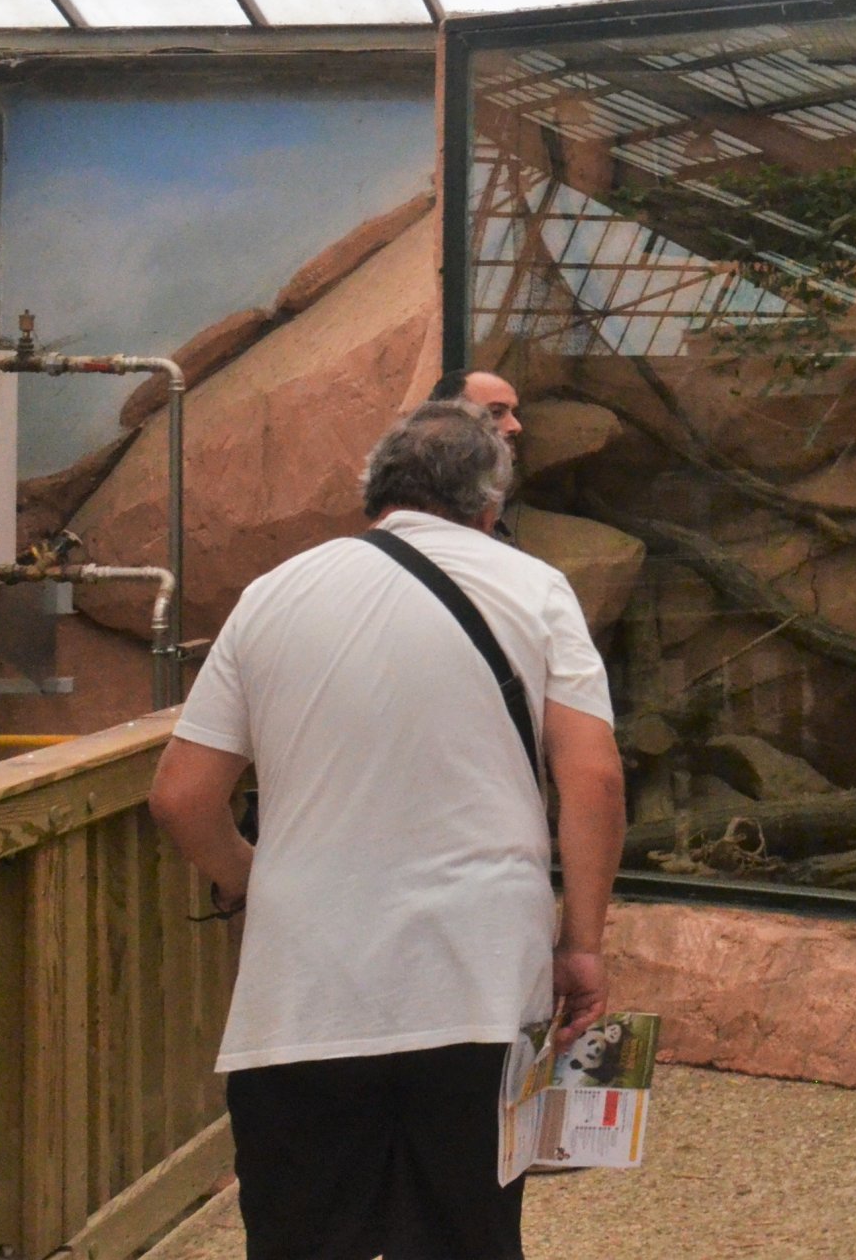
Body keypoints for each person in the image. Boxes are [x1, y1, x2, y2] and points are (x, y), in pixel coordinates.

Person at [150, 401, 627, 1260]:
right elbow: (591, 775)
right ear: (490, 506)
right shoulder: (533, 587)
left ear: (372, 494)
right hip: (479, 983)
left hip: (303, 995)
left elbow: (183, 796)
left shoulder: (274, 593)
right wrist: (581, 943)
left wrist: (252, 878)